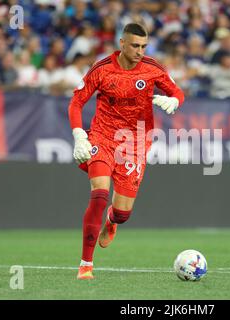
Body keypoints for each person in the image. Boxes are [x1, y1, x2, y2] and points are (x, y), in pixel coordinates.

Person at [67, 23, 185, 280]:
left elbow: (177, 91)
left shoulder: (153, 69)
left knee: (123, 213)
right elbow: (76, 102)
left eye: (143, 46)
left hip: (135, 143)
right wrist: (79, 135)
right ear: (122, 43)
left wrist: (175, 100)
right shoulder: (102, 69)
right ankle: (85, 264)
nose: (140, 51)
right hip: (103, 136)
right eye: (135, 45)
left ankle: (112, 220)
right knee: (99, 193)